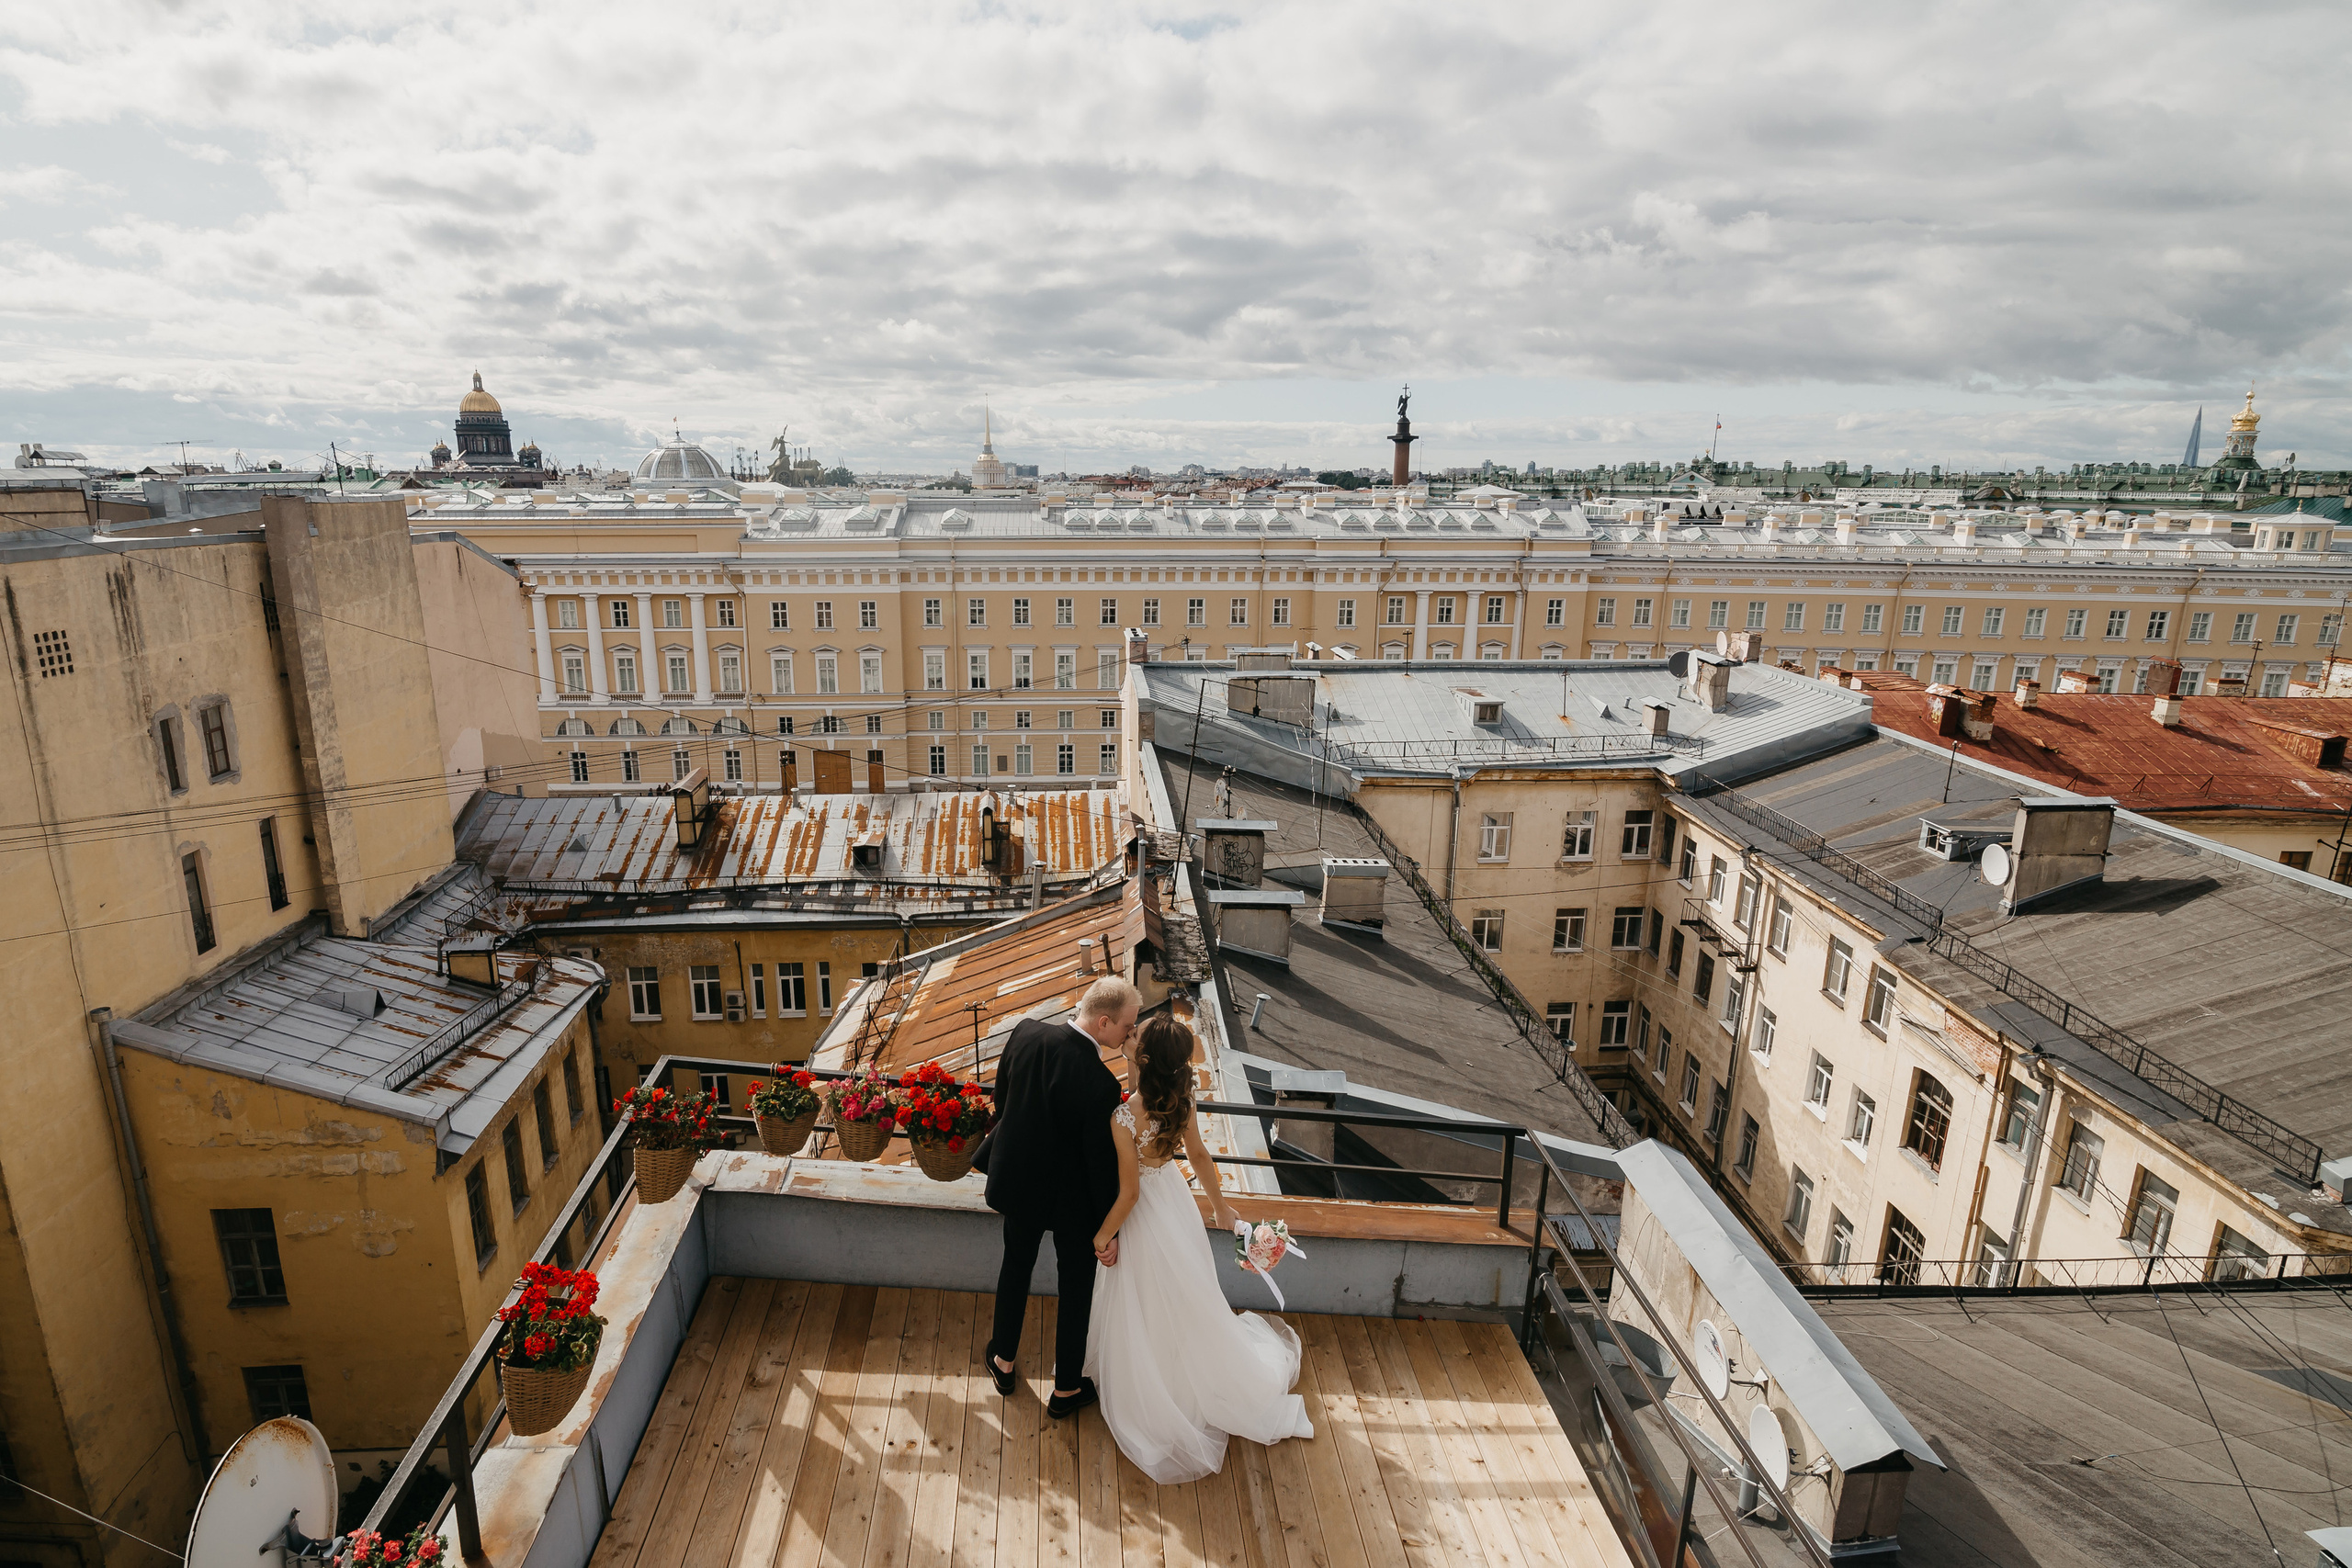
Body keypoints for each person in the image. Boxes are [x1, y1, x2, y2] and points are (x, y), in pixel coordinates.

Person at [1084, 1014, 1313, 1483]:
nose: (1128, 1035)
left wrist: (1103, 1236)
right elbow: (1202, 1157)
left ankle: (1160, 1386)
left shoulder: (1123, 1118)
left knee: (1145, 1298)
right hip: (1176, 1205)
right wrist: (1221, 1209)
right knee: (1186, 1295)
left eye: (1134, 1037)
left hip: (1145, 1214)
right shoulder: (1180, 1102)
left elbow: (1128, 1194)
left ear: (1144, 1059)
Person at [978, 976, 1138, 1419]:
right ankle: (1066, 1388)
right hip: (1073, 1202)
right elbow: (1099, 1166)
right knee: (1076, 1289)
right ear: (1103, 1023)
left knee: (1015, 1267)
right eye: (1127, 1025)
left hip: (1020, 1183)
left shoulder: (1026, 1032)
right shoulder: (1102, 1085)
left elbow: (1004, 1101)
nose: (1130, 1032)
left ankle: (1002, 1361)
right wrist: (1110, 1231)